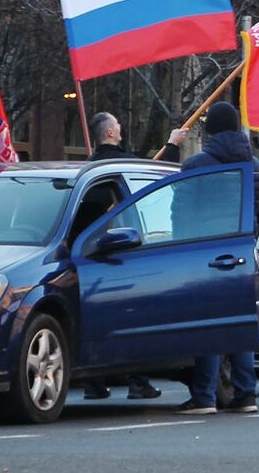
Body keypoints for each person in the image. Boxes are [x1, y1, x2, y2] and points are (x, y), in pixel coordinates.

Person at [174, 102, 259, 415]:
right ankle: (246, 394)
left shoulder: (196, 165)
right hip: (245, 252)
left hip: (206, 253)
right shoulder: (256, 166)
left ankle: (204, 396)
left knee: (209, 324)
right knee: (242, 323)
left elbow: (180, 214)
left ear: (210, 130)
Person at [81, 111, 181, 402]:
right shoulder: (120, 166)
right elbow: (153, 183)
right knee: (133, 320)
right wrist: (172, 144)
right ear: (111, 133)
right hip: (125, 255)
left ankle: (95, 382)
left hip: (89, 259)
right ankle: (138, 381)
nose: (121, 128)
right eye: (118, 126)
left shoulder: (88, 170)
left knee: (97, 321)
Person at [89, 111, 185, 164]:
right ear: (111, 132)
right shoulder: (126, 163)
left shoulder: (88, 164)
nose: (119, 126)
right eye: (117, 124)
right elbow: (164, 176)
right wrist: (173, 143)